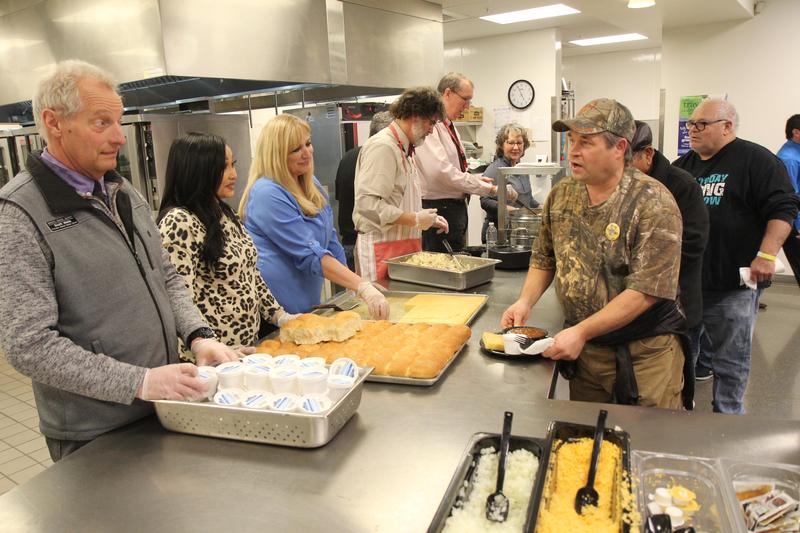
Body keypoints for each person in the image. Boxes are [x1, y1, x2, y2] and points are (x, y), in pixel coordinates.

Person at [0, 60, 238, 461]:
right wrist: (139, 381)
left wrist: (198, 335)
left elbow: (163, 274)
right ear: (54, 123)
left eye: (118, 121)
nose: (119, 137)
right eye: (101, 123)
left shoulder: (122, 189)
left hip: (159, 404)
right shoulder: (19, 214)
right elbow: (28, 346)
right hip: (94, 430)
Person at [502, 98, 688, 410]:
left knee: (643, 443)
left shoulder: (653, 202)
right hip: (587, 353)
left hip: (645, 354)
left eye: (586, 142)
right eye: (572, 140)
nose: (572, 151)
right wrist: (525, 301)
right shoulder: (562, 194)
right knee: (587, 440)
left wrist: (581, 331)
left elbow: (646, 291)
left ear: (619, 148)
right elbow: (544, 257)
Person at [673, 98, 798, 414]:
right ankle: (681, 415)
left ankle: (727, 421)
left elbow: (783, 209)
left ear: (727, 126)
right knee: (684, 358)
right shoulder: (684, 166)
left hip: (733, 287)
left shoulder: (757, 161)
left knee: (730, 363)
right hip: (688, 287)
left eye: (701, 124)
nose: (692, 131)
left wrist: (766, 255)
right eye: (690, 124)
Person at [239, 114, 389, 319]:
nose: (306, 153)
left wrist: (354, 287)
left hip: (306, 302)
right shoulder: (268, 193)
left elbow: (331, 241)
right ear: (276, 155)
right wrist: (361, 285)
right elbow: (309, 254)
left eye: (308, 144)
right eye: (296, 149)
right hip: (276, 310)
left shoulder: (311, 185)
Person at [157, 132, 297, 351]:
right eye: (224, 167)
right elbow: (179, 299)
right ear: (199, 170)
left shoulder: (225, 213)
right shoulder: (179, 222)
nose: (233, 174)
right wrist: (210, 346)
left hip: (245, 351)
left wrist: (280, 316)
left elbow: (250, 275)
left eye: (233, 165)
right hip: (210, 361)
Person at [630, 121, 709, 390]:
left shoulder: (681, 185)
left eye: (628, 161)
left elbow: (693, 244)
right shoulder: (622, 185)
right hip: (633, 311)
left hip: (676, 308)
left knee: (674, 389)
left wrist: (639, 266)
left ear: (648, 154)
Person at [353, 87, 449, 281]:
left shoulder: (405, 147)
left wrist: (427, 220)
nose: (431, 130)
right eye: (431, 123)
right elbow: (368, 206)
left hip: (402, 247)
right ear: (415, 116)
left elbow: (398, 200)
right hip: (381, 248)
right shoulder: (383, 147)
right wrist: (414, 219)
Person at [415, 72, 517, 252]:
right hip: (439, 209)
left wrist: (475, 180)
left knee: (456, 258)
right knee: (443, 267)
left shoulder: (449, 124)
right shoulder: (432, 126)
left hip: (454, 208)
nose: (468, 106)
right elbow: (441, 171)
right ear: (447, 93)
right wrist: (490, 189)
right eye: (465, 100)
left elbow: (455, 169)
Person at [335, 111, 394, 270]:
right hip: (367, 243)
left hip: (347, 240)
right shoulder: (378, 159)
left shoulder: (348, 156)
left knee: (354, 292)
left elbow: (339, 195)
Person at [480, 123, 539, 242]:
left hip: (518, 230)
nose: (516, 147)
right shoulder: (495, 169)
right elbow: (485, 201)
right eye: (511, 143)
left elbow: (528, 200)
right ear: (502, 145)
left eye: (519, 143)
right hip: (498, 232)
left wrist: (542, 207)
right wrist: (507, 209)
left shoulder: (522, 169)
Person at [776, 114, 800, 287]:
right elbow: (791, 196)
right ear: (796, 132)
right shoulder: (789, 159)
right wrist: (798, 226)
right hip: (793, 222)